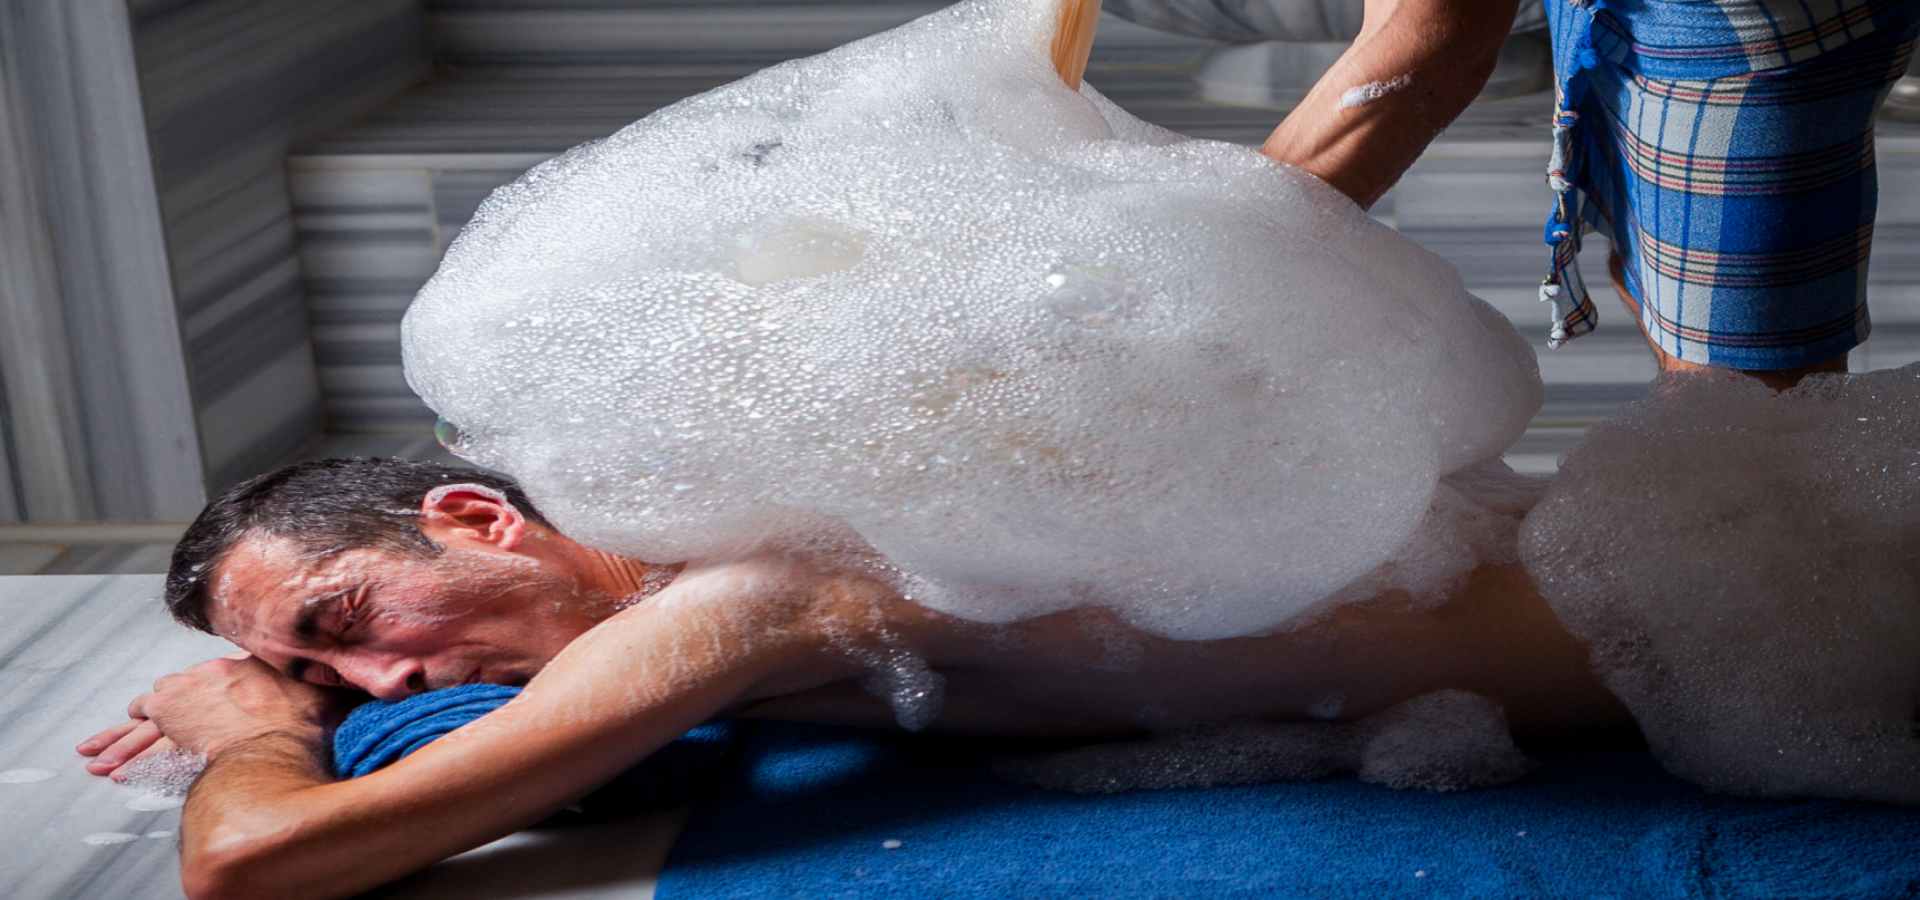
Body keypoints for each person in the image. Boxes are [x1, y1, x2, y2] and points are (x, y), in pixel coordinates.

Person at [79, 457, 1630, 900]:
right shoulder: (704, 580)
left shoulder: (745, 594)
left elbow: (256, 865)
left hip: (1727, 615)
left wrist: (244, 726)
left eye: (352, 617)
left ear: (479, 516)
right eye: (321, 675)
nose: (375, 676)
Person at [1258, 0, 1920, 388]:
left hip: (1748, 21)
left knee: (1747, 408)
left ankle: (1770, 592)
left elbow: (1435, 40)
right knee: (1648, 257)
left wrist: (1219, 268)